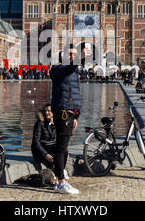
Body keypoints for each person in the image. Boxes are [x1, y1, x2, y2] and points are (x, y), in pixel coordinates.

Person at [50, 43, 91, 194]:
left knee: (64, 146)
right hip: (62, 112)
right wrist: (80, 57)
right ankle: (61, 182)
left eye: (74, 54)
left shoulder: (73, 72)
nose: (72, 57)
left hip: (70, 113)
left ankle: (58, 177)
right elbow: (69, 67)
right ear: (63, 56)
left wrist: (76, 115)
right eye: (70, 54)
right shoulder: (57, 69)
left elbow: (75, 93)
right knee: (60, 148)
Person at [31, 104, 69, 181]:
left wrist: (66, 152)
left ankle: (61, 171)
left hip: (50, 147)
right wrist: (45, 155)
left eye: (49, 111)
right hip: (39, 150)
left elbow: (60, 139)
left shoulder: (57, 123)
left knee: (63, 150)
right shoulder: (39, 123)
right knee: (57, 154)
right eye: (46, 111)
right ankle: (57, 173)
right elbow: (36, 143)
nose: (47, 113)